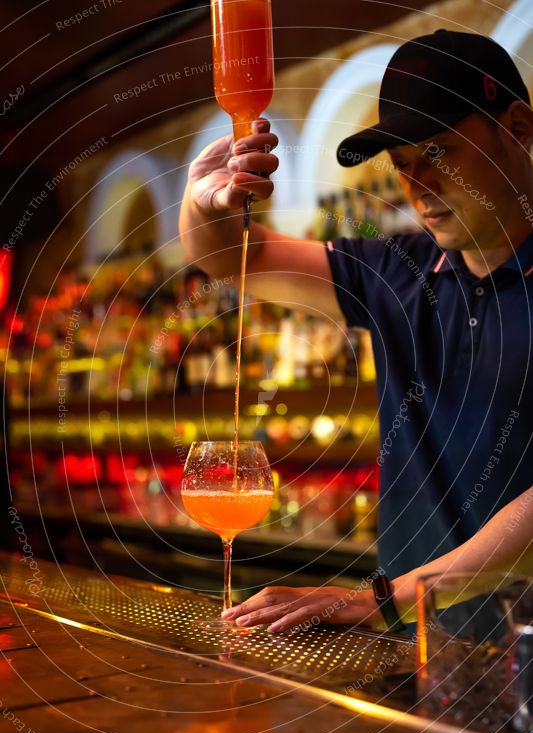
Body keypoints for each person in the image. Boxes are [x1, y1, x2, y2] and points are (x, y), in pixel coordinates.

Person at [179, 29, 533, 635]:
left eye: (440, 154)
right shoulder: (400, 272)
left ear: (520, 128)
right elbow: (234, 257)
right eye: (403, 166)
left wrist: (390, 598)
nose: (419, 188)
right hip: (416, 658)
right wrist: (202, 202)